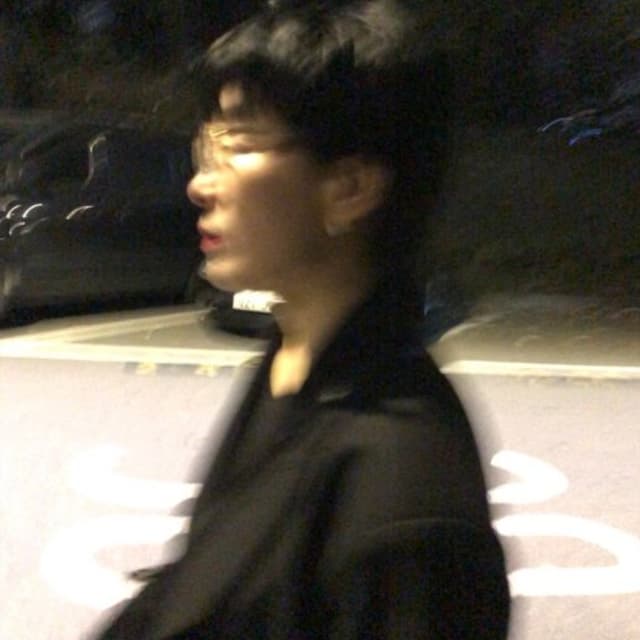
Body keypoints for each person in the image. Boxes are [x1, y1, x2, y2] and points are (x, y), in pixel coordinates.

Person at [91, 0, 510, 638]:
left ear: (350, 188)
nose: (201, 184)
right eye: (206, 148)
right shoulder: (295, 358)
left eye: (236, 145)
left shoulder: (405, 494)